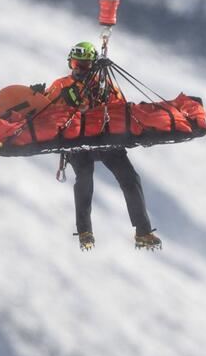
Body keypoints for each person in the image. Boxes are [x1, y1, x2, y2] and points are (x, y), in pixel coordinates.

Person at [43, 42, 162, 252]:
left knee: (130, 177)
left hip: (104, 139)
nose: (78, 69)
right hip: (77, 142)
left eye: (84, 65)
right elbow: (46, 110)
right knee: (85, 176)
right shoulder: (61, 86)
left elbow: (119, 108)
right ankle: (84, 231)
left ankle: (143, 231)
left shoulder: (104, 85)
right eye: (75, 64)